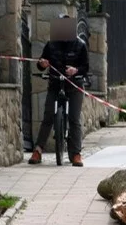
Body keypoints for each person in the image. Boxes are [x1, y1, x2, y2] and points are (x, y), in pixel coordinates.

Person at [28, 14, 89, 166]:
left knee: (74, 119)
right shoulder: (51, 44)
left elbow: (86, 67)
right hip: (55, 83)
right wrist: (42, 64)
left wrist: (76, 70)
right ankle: (38, 150)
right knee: (48, 116)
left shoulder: (80, 45)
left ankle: (76, 154)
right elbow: (40, 64)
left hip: (74, 85)